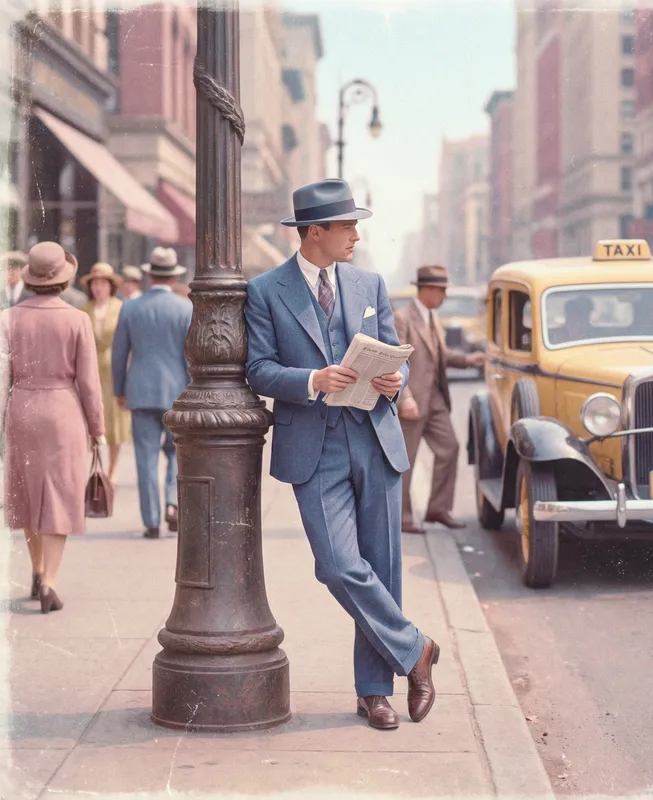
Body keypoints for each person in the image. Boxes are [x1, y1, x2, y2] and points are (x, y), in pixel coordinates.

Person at [244, 179, 440, 732]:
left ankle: (375, 693)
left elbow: (394, 361)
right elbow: (257, 369)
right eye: (347, 226)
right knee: (336, 565)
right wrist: (313, 378)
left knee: (381, 567)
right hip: (315, 446)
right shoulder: (266, 291)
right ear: (315, 232)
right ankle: (417, 648)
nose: (356, 235)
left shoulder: (369, 283)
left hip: (376, 438)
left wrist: (393, 382)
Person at [0, 242, 105, 613]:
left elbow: (2, 378)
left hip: (22, 408)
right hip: (63, 411)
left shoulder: (8, 318)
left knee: (28, 492)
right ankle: (50, 582)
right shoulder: (77, 319)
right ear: (63, 279)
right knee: (58, 494)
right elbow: (89, 383)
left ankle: (36, 568)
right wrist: (97, 429)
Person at [394, 265, 485, 533]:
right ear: (428, 290)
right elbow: (394, 362)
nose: (444, 296)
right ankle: (403, 517)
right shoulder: (402, 318)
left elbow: (440, 356)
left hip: (435, 399)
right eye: (442, 291)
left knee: (450, 448)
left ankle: (438, 509)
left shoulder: (433, 317)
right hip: (412, 400)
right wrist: (403, 398)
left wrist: (468, 359)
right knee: (405, 461)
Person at [111, 247, 192, 539]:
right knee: (177, 452)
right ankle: (172, 501)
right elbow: (190, 357)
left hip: (141, 392)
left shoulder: (131, 308)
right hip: (177, 391)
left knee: (145, 458)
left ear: (148, 275)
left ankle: (152, 520)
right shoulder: (186, 308)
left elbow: (119, 355)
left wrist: (119, 390)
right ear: (173, 277)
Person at [81, 262, 131, 484]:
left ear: (111, 286)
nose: (98, 288)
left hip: (115, 368)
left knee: (114, 420)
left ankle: (113, 466)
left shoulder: (120, 308)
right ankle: (95, 465)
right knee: (92, 415)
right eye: (95, 284)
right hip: (90, 368)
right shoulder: (84, 311)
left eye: (103, 284)